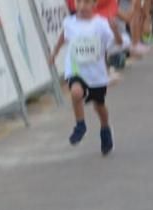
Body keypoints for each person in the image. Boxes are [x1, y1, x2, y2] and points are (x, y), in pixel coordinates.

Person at [49, 0, 122, 156]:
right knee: (76, 92)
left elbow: (118, 43)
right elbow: (64, 36)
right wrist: (54, 52)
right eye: (79, 2)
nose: (82, 6)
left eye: (87, 3)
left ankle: (105, 128)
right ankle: (80, 125)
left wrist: (116, 31)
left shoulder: (101, 24)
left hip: (96, 73)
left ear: (94, 5)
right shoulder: (69, 22)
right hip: (76, 69)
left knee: (99, 106)